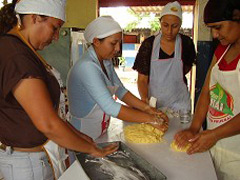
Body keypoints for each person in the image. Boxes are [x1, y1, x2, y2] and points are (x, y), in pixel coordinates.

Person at [0, 0, 118, 179]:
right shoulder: (17, 55)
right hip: (26, 164)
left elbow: (50, 115)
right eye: (55, 28)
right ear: (35, 18)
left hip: (37, 157)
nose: (56, 37)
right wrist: (92, 149)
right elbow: (47, 123)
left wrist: (80, 137)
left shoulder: (24, 51)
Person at [67, 16, 168, 140]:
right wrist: (151, 119)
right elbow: (110, 107)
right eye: (113, 43)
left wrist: (147, 108)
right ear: (96, 42)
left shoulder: (106, 62)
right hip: (81, 135)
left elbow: (120, 91)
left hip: (100, 133)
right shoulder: (86, 67)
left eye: (119, 43)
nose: (118, 48)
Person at [174, 0, 240, 179]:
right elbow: (206, 92)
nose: (215, 34)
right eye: (211, 28)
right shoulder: (222, 50)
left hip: (236, 152)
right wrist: (194, 128)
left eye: (218, 27)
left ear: (238, 17)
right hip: (214, 145)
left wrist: (214, 134)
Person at [132, 1, 196, 113]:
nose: (169, 31)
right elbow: (142, 79)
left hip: (180, 104)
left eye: (175, 26)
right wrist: (145, 100)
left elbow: (186, 69)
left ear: (180, 24)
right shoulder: (149, 44)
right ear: (160, 22)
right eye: (165, 25)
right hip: (154, 104)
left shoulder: (186, 43)